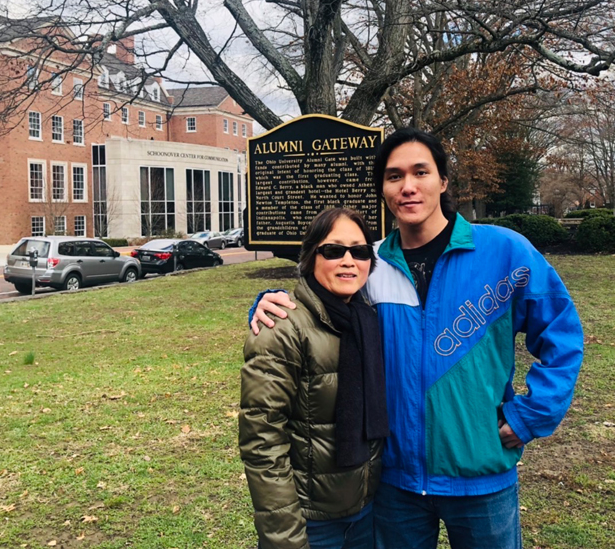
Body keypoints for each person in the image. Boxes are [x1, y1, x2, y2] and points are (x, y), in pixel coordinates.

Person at [251, 128, 584, 548]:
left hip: (481, 479)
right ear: (383, 189)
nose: (407, 187)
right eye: (393, 176)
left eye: (420, 172)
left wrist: (532, 414)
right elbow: (315, 304)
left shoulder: (505, 253)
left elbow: (562, 334)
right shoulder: (369, 264)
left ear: (443, 182)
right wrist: (266, 302)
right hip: (395, 485)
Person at [239, 207, 388, 549]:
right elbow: (262, 442)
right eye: (334, 250)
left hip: (367, 510)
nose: (349, 261)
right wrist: (285, 537)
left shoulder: (370, 319)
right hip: (313, 523)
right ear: (310, 258)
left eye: (360, 251)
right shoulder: (281, 329)